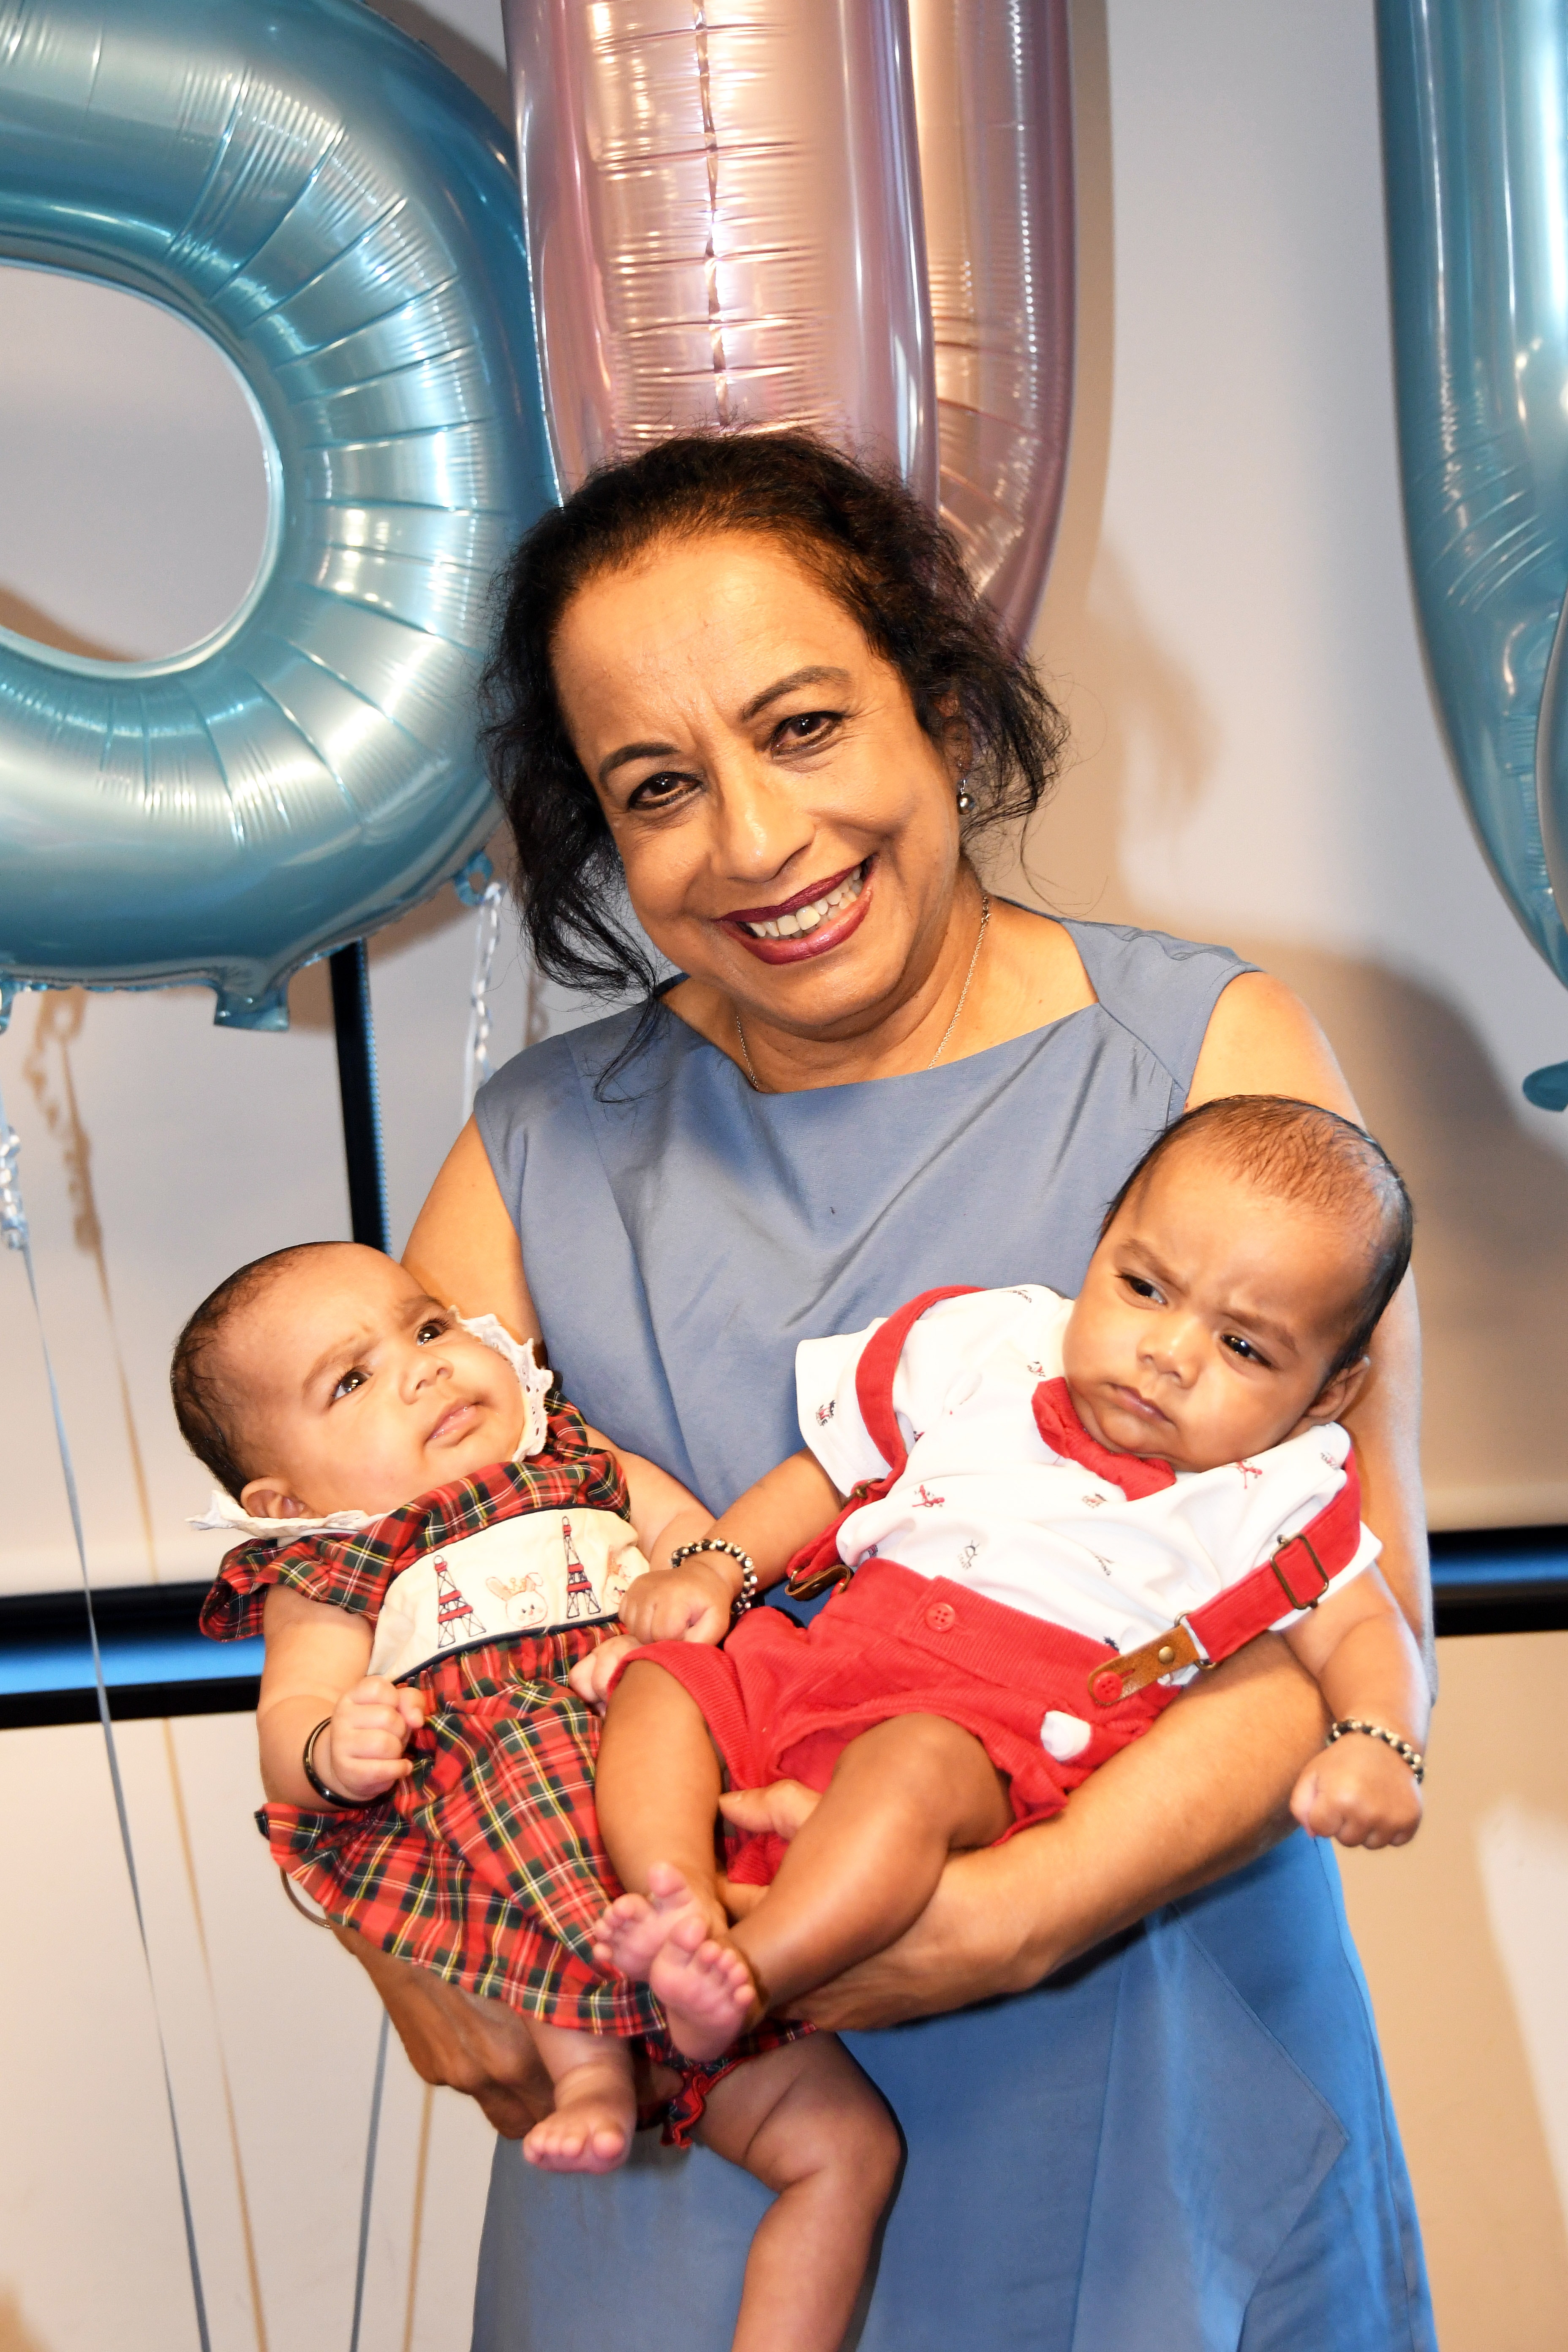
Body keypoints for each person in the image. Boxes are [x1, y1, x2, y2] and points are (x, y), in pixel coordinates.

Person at [349, 430, 1435, 2348]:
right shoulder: (525, 1151)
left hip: (1152, 2094)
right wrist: (383, 1923)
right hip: (709, 2137)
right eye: (659, 786)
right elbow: (377, 1598)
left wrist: (1020, 1909)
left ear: (940, 703)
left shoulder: (1204, 1051)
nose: (755, 842)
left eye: (802, 726)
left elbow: (1342, 1607)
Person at [584, 1096, 1429, 2066]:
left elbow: (1369, 1630)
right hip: (817, 1665)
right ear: (1099, 1244)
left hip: (982, 1739)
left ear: (1325, 1394)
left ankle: (745, 1977)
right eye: (1144, 1287)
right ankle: (673, 1896)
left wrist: (1379, 1741)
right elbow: (831, 1469)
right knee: (661, 1684)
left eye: (1242, 1347)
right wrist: (717, 1562)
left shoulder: (1269, 1493)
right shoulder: (988, 1348)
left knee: (908, 1766)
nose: (1168, 1354)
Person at [178, 1241, 901, 2352]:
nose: (421, 1369)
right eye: (353, 1380)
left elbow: (693, 1541)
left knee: (850, 2149)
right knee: (531, 1878)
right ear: (285, 1498)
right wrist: (334, 1748)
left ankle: (686, 2011)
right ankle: (596, 2074)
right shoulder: (337, 1561)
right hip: (522, 1824)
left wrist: (677, 1603)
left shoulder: (573, 1454)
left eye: (427, 1330)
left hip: (681, 1793)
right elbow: (289, 1722)